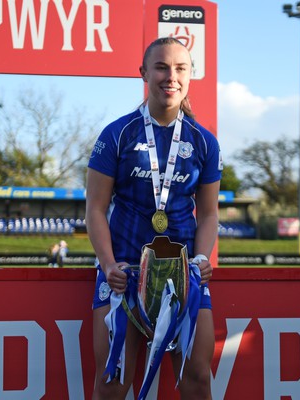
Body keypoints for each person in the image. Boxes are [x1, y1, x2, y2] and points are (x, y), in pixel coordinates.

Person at [86, 37, 223, 400]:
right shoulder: (116, 135)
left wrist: (201, 258)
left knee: (197, 379)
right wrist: (109, 263)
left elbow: (209, 213)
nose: (171, 76)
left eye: (180, 68)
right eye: (161, 67)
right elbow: (95, 209)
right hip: (123, 274)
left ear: (191, 75)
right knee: (113, 384)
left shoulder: (205, 142)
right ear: (144, 72)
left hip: (183, 276)